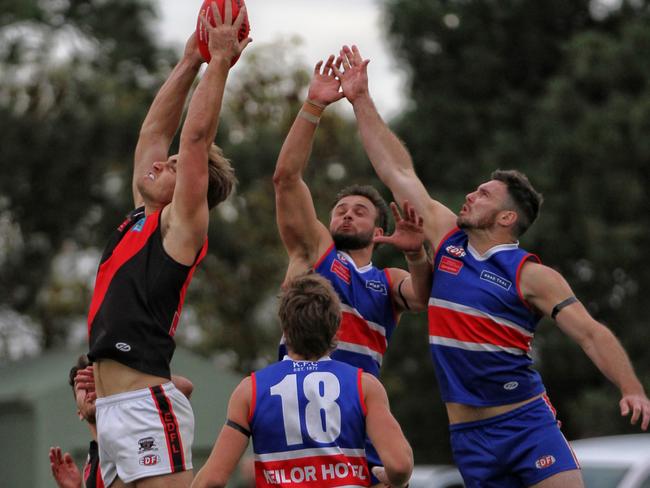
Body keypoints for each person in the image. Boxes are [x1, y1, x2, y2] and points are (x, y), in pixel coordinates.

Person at [333, 44, 650, 487]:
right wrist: (361, 100)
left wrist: (631, 387)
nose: (470, 195)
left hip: (525, 423)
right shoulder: (447, 239)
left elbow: (592, 334)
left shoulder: (531, 274)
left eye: (483, 194)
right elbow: (397, 171)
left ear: (506, 218)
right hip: (469, 436)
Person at [85, 3, 251, 487]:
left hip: (143, 406)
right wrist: (190, 59)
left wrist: (219, 62)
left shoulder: (180, 228)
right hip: (112, 411)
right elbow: (154, 132)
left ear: (190, 188)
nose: (161, 163)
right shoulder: (143, 217)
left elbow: (196, 137)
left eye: (173, 165)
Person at [191, 273, 413, 488]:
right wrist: (394, 480)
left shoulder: (250, 390)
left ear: (285, 329)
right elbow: (400, 465)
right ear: (336, 329)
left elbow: (213, 480)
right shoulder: (364, 386)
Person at [49, 356, 195, 488]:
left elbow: (185, 387)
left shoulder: (135, 426)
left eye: (93, 381)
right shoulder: (91, 466)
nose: (90, 388)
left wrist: (118, 380)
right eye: (82, 386)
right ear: (79, 413)